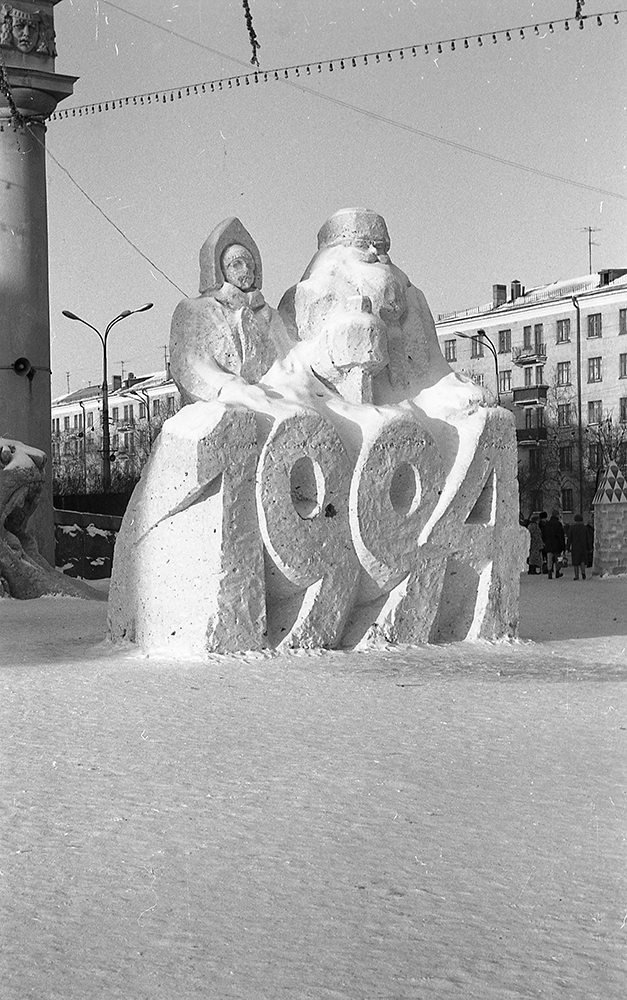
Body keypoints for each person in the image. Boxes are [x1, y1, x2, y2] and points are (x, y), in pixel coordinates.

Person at [544, 508, 566, 579]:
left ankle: (549, 572)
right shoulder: (558, 524)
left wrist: (545, 542)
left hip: (549, 545)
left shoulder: (547, 524)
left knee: (549, 559)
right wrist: (563, 546)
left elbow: (544, 535)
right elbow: (561, 536)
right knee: (558, 559)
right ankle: (557, 572)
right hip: (557, 545)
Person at [569, 514, 589, 580]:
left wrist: (567, 546)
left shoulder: (572, 528)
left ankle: (576, 575)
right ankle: (583, 572)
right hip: (583, 546)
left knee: (575, 561)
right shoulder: (584, 528)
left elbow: (569, 538)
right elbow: (588, 538)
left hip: (575, 546)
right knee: (582, 560)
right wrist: (589, 547)